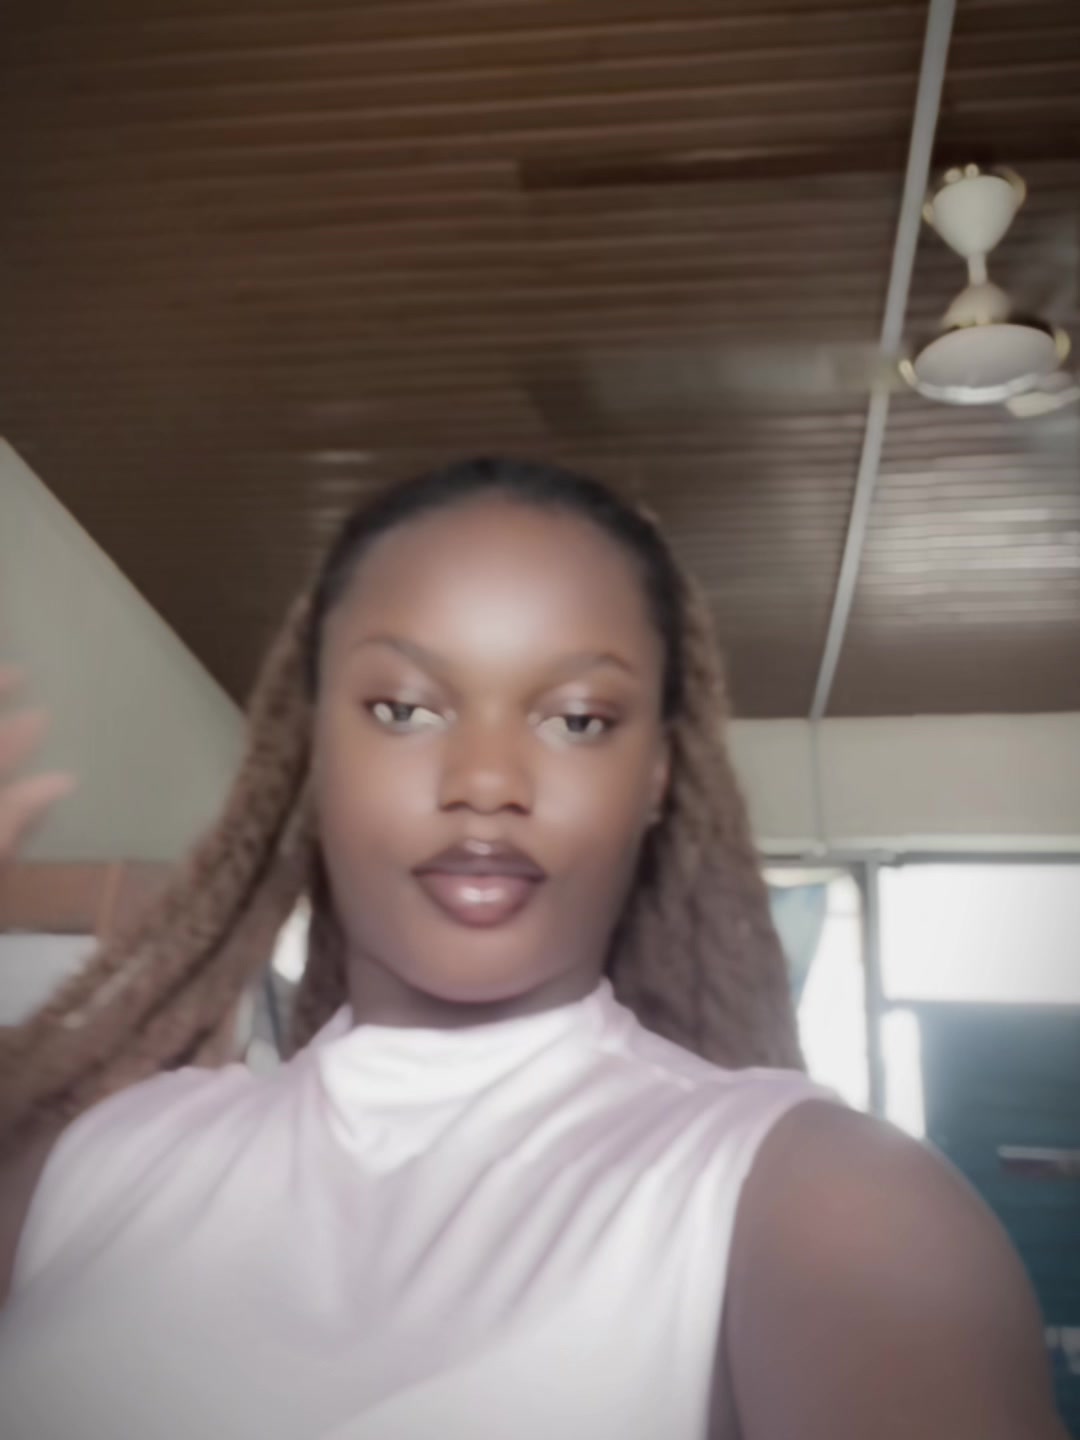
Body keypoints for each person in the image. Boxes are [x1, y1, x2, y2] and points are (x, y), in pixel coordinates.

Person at [0, 458, 1065, 1439]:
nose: (487, 781)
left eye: (578, 720)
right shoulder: (83, 1169)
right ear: (313, 747)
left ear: (657, 776)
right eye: (404, 708)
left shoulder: (831, 1211)